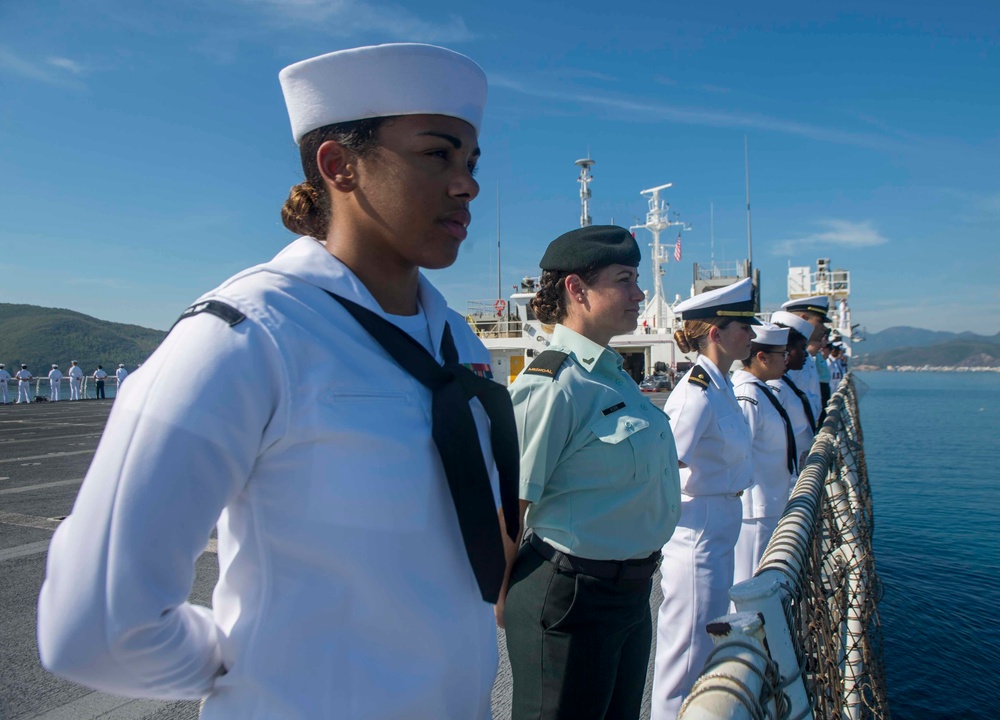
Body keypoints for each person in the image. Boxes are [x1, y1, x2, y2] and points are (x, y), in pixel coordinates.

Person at [38, 43, 519, 719]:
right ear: (339, 165)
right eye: (438, 154)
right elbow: (97, 624)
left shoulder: (458, 342)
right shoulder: (246, 336)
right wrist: (255, 670)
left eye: (471, 162)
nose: (466, 183)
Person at [503, 226, 681, 720]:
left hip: (631, 594)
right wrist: (494, 606)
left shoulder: (614, 375)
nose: (639, 293)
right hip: (571, 600)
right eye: (624, 279)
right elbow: (507, 505)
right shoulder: (553, 385)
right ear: (576, 290)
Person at [651, 277, 759, 720]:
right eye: (743, 327)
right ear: (716, 334)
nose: (752, 335)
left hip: (720, 524)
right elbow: (664, 465)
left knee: (704, 642)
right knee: (686, 651)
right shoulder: (696, 393)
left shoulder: (722, 385)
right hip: (697, 533)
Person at [732, 323, 797, 584]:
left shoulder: (761, 391)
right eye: (783, 355)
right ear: (762, 357)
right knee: (750, 582)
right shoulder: (748, 394)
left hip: (769, 501)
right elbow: (740, 450)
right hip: (756, 507)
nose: (786, 361)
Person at [768, 311, 817, 468]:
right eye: (802, 348)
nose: (805, 355)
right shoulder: (774, 387)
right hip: (783, 483)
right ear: (787, 349)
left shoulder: (785, 380)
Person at [780, 295, 831, 422]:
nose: (824, 328)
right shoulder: (788, 357)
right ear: (803, 319)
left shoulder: (806, 357)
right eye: (820, 321)